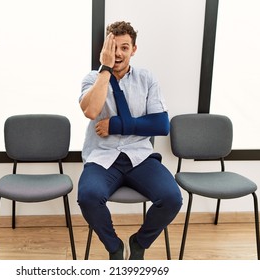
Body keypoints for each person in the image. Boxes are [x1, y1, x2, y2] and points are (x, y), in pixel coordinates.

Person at [77, 21, 182, 260]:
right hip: (102, 156)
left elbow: (161, 125)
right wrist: (105, 68)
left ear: (133, 50)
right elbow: (91, 111)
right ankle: (114, 246)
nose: (118, 53)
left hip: (140, 156)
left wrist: (116, 125)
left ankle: (139, 242)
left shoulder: (146, 78)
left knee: (171, 198)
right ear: (104, 49)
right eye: (113, 47)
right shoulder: (92, 78)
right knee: (88, 197)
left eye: (124, 47)